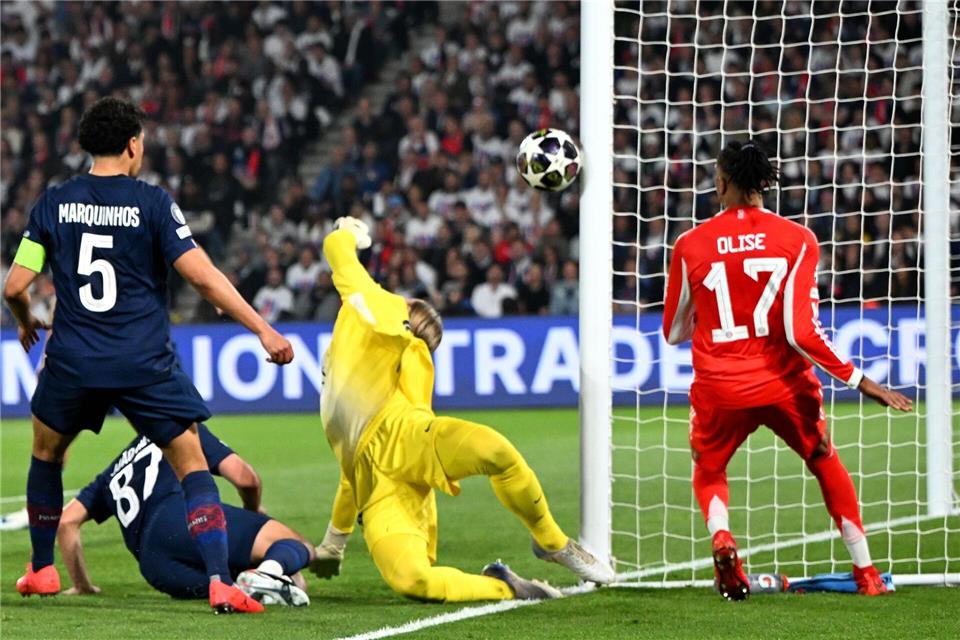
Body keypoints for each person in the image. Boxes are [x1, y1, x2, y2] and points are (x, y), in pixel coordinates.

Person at [3, 97, 293, 614]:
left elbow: (15, 286)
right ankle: (219, 582)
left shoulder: (52, 204)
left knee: (45, 455)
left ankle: (42, 569)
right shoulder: (153, 203)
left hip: (74, 361)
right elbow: (201, 277)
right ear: (133, 144)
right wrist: (263, 330)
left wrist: (27, 323)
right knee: (192, 466)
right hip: (143, 362)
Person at [309, 217, 614, 603]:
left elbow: (337, 251)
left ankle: (552, 541)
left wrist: (348, 234)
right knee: (413, 581)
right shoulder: (377, 305)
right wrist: (334, 544)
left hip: (408, 436)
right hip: (378, 486)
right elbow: (350, 475)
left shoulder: (385, 334)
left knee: (496, 451)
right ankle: (506, 587)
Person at [661, 141, 913, 601]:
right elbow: (801, 332)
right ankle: (866, 571)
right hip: (784, 384)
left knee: (709, 467)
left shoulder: (689, 244)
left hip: (720, 387)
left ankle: (722, 538)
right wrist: (861, 380)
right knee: (823, 459)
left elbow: (674, 331)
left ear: (721, 183)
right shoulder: (797, 239)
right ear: (763, 182)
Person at [57, 423, 314, 607]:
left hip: (156, 568)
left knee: (269, 583)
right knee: (295, 545)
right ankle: (269, 571)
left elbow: (67, 522)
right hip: (182, 522)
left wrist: (82, 585)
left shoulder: (110, 475)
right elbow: (246, 479)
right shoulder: (178, 427)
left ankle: (261, 576)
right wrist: (253, 514)